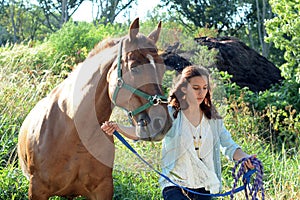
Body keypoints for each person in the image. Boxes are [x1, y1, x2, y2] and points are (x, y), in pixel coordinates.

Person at [101, 65, 256, 200]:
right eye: (195, 88)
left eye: (204, 88)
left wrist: (245, 158)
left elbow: (229, 146)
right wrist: (118, 127)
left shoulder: (214, 120)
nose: (201, 93)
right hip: (174, 185)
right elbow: (145, 132)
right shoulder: (170, 114)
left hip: (205, 187)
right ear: (184, 88)